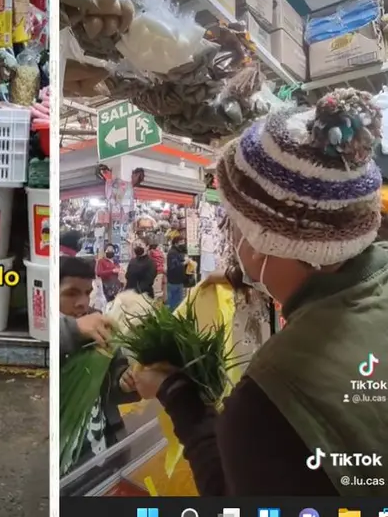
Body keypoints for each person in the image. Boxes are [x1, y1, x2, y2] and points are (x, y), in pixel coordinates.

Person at [134, 88, 388, 496]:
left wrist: (176, 393)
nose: (229, 238)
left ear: (263, 241)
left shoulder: (270, 402)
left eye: (232, 222)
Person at [59, 256, 139, 474]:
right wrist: (72, 330)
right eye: (71, 293)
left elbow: (115, 376)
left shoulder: (99, 324)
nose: (82, 302)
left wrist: (125, 381)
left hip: (103, 456)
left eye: (87, 292)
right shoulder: (56, 331)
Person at [165, 236, 189, 310]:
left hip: (179, 280)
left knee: (178, 301)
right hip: (174, 281)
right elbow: (173, 266)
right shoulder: (172, 252)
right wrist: (184, 263)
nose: (183, 244)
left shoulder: (178, 251)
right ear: (176, 243)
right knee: (174, 301)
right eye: (181, 242)